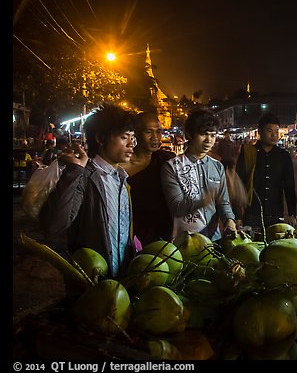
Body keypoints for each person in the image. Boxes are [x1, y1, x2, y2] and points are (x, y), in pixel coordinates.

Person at [39, 104, 138, 278]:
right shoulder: (83, 175)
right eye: (124, 137)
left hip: (121, 283)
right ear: (100, 138)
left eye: (133, 137)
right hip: (92, 283)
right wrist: (74, 172)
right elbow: (54, 225)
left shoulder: (122, 179)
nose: (131, 144)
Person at [161, 110, 236, 242]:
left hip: (214, 239)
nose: (209, 140)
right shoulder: (172, 167)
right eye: (203, 134)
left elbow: (223, 202)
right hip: (186, 242)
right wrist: (203, 200)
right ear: (189, 135)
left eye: (213, 135)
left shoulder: (217, 167)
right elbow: (177, 208)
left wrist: (229, 221)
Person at [235, 112, 297, 239]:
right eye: (269, 130)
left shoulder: (284, 156)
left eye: (277, 131)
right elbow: (238, 184)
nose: (274, 135)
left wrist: (292, 213)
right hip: (252, 214)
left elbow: (289, 186)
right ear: (259, 132)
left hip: (276, 214)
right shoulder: (247, 153)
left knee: (275, 251)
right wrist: (237, 216)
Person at [120, 112, 176, 247]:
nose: (155, 137)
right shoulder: (121, 166)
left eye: (159, 132)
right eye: (148, 132)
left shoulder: (166, 160)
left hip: (164, 231)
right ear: (136, 134)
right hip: (132, 232)